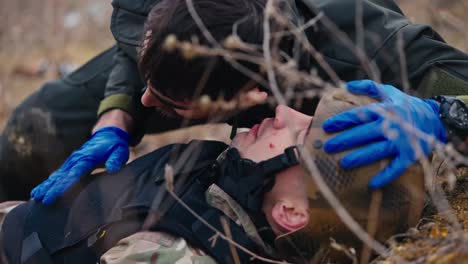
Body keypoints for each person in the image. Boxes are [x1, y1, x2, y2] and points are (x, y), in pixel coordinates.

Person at [1, 0, 468, 202]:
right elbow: (139, 45)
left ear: (250, 98)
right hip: (185, 48)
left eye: (166, 99)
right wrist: (116, 117)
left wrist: (442, 115)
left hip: (321, 59)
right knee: (34, 130)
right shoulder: (163, 21)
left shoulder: (386, 53)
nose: (148, 99)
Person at [1, 99, 427, 264]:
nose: (284, 111)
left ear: (291, 213)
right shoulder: (223, 192)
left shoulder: (176, 254)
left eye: (300, 135)